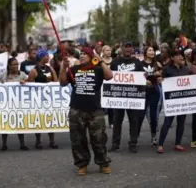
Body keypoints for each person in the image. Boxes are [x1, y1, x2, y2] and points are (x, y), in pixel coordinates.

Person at [59, 46, 113, 176]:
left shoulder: (98, 70)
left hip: (95, 110)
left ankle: (103, 163)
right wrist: (63, 66)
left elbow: (109, 76)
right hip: (76, 110)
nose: (82, 56)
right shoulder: (73, 70)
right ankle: (82, 163)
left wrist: (100, 61)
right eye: (81, 54)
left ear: (91, 57)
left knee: (99, 138)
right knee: (77, 139)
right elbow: (62, 82)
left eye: (85, 54)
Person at [109, 41, 144, 153]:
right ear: (122, 49)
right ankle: (115, 144)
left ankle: (133, 143)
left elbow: (142, 77)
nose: (128, 49)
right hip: (119, 96)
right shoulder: (115, 62)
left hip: (132, 96)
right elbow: (110, 77)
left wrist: (145, 78)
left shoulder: (137, 62)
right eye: (126, 47)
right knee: (117, 120)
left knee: (133, 120)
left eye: (130, 47)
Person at [156, 50, 190, 154]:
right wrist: (160, 80)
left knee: (181, 122)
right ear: (172, 58)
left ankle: (178, 143)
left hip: (183, 100)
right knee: (167, 122)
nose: (180, 57)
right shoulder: (167, 70)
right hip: (171, 101)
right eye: (178, 55)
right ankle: (160, 144)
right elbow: (160, 79)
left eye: (181, 55)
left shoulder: (186, 69)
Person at [26, 49, 59, 149]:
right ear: (41, 57)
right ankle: (38, 141)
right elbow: (29, 85)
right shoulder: (34, 71)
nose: (48, 57)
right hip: (38, 100)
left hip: (49, 99)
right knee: (38, 119)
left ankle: (52, 141)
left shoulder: (50, 68)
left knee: (50, 119)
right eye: (46, 56)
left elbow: (56, 81)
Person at [0, 57, 29, 151]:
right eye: (14, 64)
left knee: (19, 123)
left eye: (17, 64)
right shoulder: (4, 75)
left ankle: (22, 144)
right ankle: (4, 144)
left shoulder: (22, 74)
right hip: (7, 103)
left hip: (19, 103)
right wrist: (2, 83)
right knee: (5, 123)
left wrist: (25, 83)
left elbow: (30, 83)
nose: (16, 66)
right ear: (9, 66)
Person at [137, 46, 162, 146]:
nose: (152, 52)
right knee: (140, 115)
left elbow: (162, 75)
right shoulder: (140, 64)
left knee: (153, 115)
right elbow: (137, 76)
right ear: (145, 52)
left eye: (153, 50)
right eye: (149, 50)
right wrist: (144, 80)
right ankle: (136, 137)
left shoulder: (157, 64)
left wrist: (159, 74)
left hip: (154, 91)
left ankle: (154, 136)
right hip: (143, 92)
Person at [101, 45, 114, 128]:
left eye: (110, 50)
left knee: (111, 105)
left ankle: (111, 122)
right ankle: (101, 121)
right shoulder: (100, 61)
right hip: (102, 84)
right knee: (102, 104)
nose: (109, 52)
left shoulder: (115, 61)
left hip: (113, 84)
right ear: (103, 51)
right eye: (107, 50)